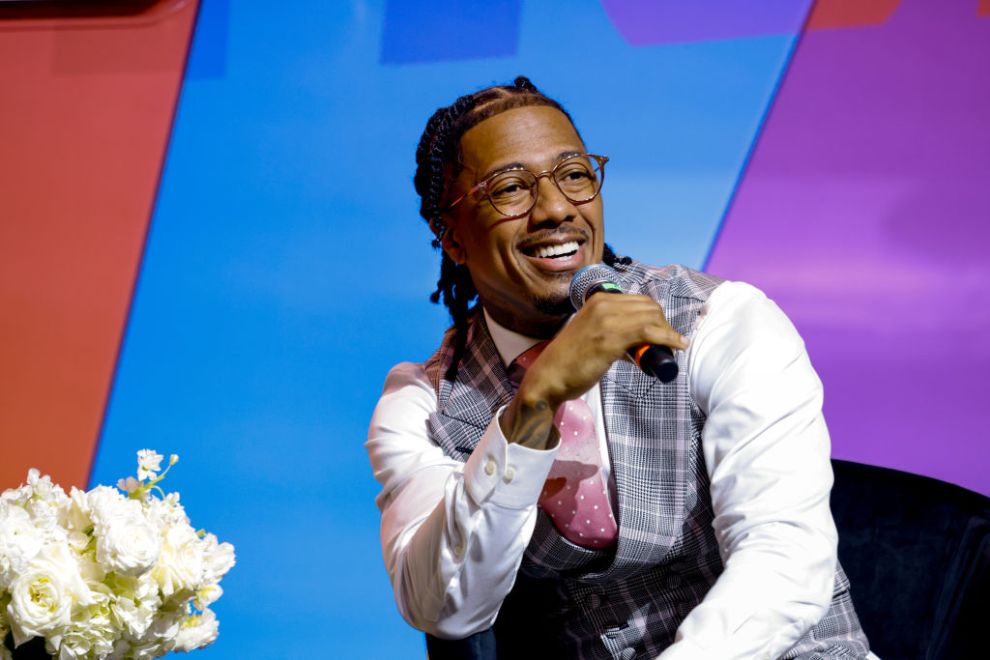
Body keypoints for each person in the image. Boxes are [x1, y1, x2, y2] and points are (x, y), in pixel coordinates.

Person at [366, 77, 872, 659]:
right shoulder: (425, 403)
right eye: (510, 188)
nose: (556, 209)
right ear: (451, 239)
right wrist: (534, 405)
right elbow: (445, 608)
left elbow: (784, 561)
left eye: (575, 175)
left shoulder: (716, 322)